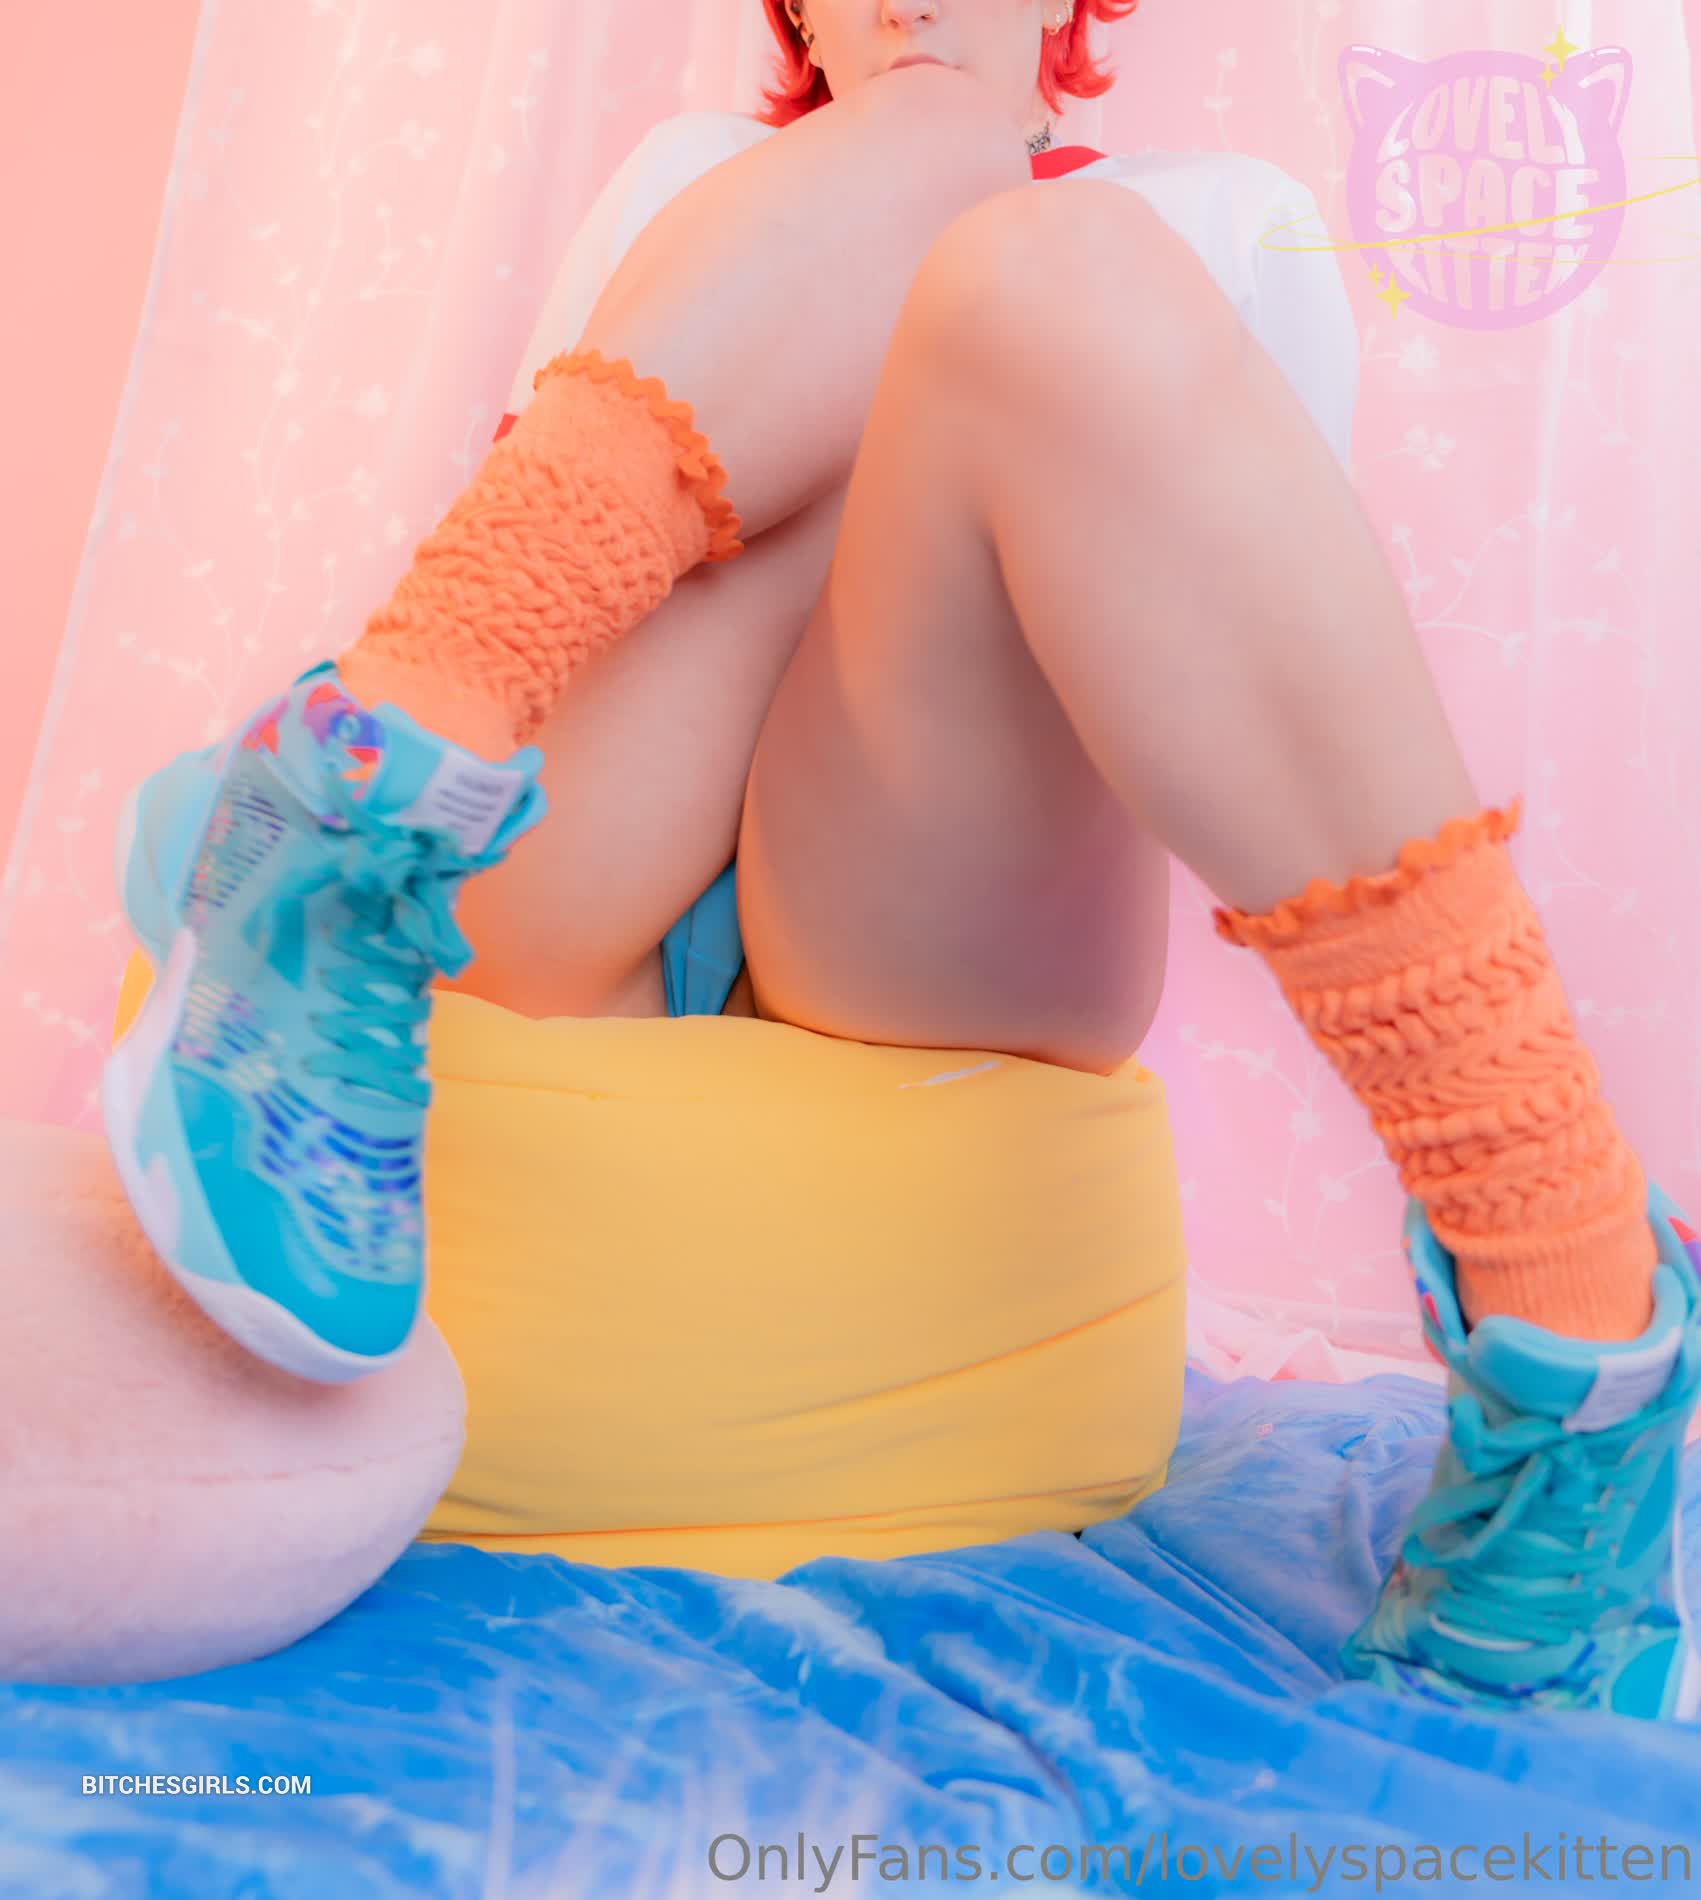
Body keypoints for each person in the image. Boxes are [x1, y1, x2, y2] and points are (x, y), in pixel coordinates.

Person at [102, 0, 1701, 1718]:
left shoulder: (1220, 219)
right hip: (592, 860)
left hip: (930, 880)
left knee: (1050, 265)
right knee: (930, 152)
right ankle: (341, 807)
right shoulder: (691, 172)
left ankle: (1569, 1289)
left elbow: (1241, 671)